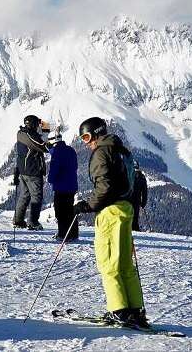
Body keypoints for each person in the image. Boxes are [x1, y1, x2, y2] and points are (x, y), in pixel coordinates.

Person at [73, 117, 147, 327]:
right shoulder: (121, 151)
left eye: (87, 137)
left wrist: (88, 206)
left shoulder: (101, 153)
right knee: (125, 264)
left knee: (108, 264)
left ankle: (119, 311)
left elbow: (104, 187)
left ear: (96, 133)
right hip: (126, 209)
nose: (86, 142)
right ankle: (135, 310)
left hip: (110, 213)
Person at [13, 115, 49, 230]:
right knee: (36, 197)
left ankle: (18, 220)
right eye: (37, 124)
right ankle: (33, 222)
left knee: (24, 196)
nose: (39, 126)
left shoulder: (21, 133)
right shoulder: (31, 135)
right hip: (32, 171)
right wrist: (46, 131)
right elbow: (44, 147)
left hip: (23, 171)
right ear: (33, 124)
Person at [47, 132, 79, 241]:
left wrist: (50, 179)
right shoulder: (71, 150)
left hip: (61, 187)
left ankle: (63, 234)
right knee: (69, 210)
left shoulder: (56, 153)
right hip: (72, 185)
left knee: (60, 212)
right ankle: (73, 234)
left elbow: (54, 170)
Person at [131, 161, 148, 232]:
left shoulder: (128, 174)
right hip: (137, 201)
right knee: (135, 217)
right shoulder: (142, 177)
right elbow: (144, 192)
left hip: (127, 199)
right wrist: (143, 203)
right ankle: (135, 229)